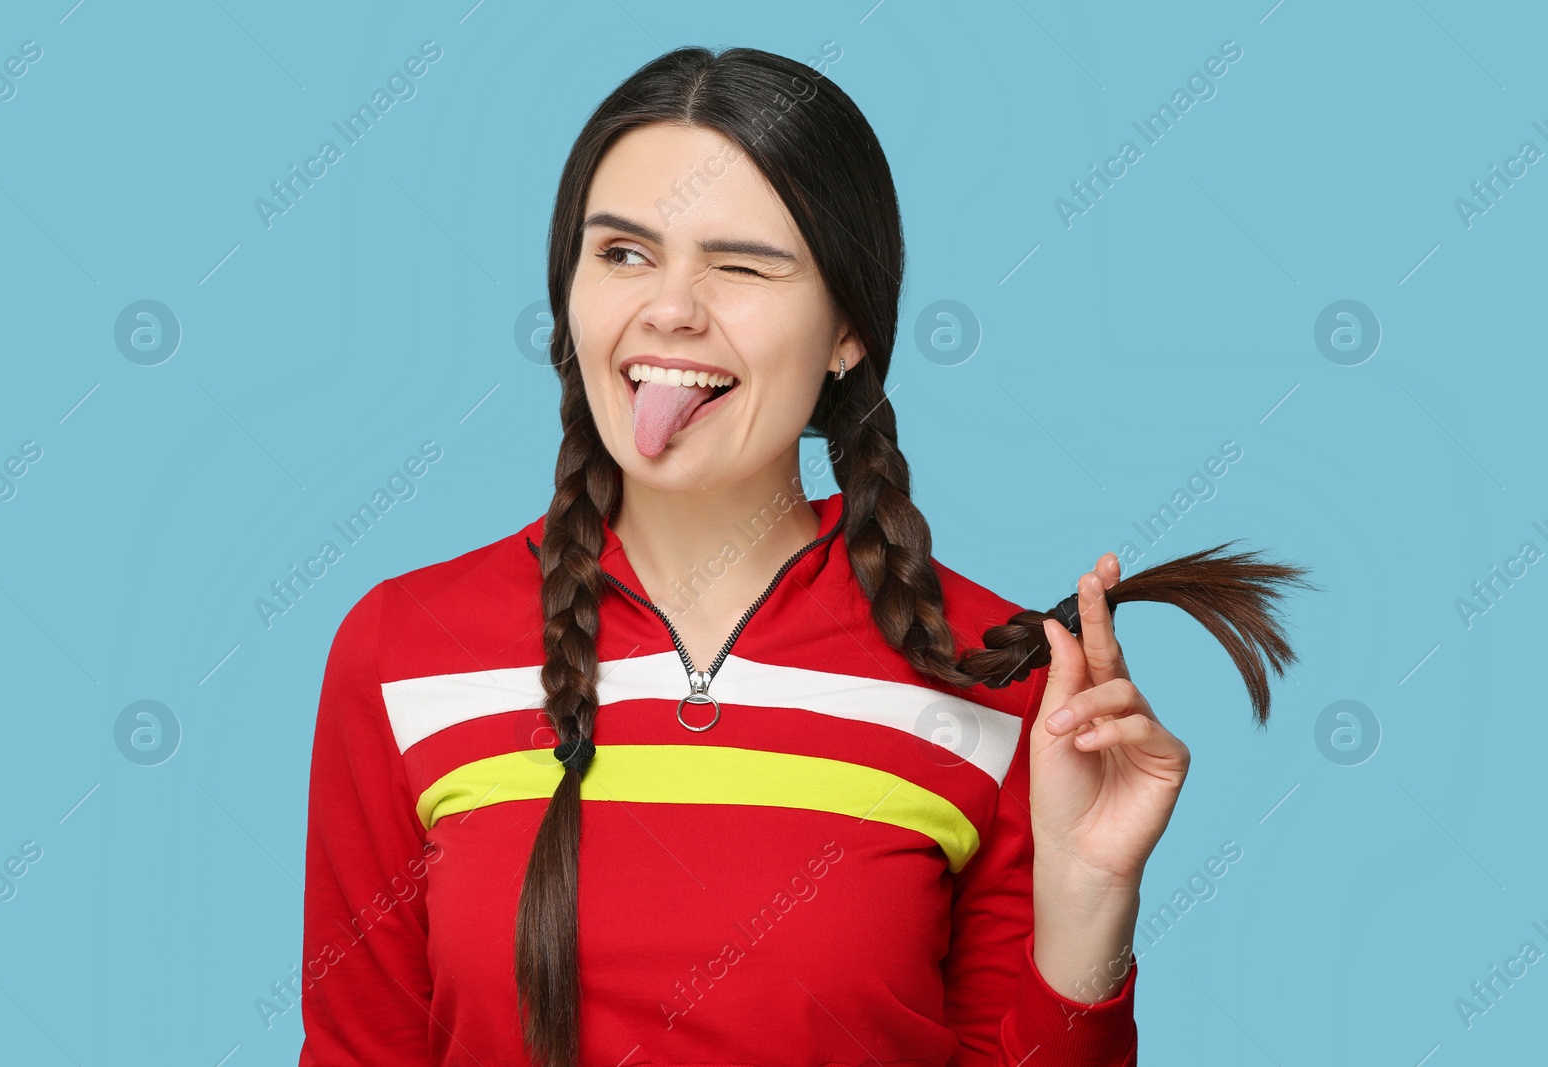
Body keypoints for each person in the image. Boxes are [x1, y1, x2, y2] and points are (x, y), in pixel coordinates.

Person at [297, 46, 1310, 1067]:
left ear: (847, 332)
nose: (671, 308)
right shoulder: (401, 649)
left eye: (740, 265)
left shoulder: (1000, 678)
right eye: (621, 254)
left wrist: (1089, 905)